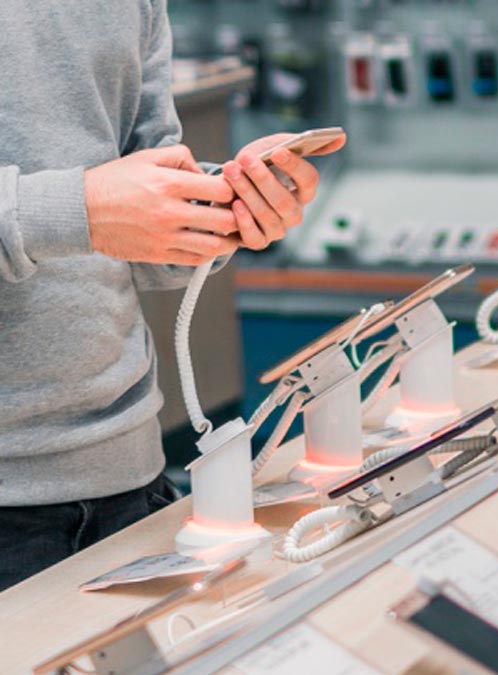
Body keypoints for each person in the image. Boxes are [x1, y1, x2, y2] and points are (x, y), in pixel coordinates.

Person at [0, 1, 345, 591]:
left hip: (128, 473)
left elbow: (135, 211)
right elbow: (90, 209)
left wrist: (221, 209)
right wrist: (79, 209)